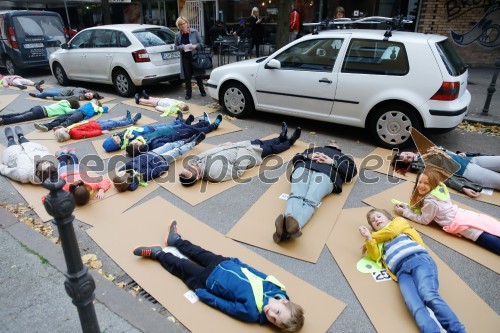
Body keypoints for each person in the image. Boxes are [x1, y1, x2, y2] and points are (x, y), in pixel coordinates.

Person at [133, 221, 305, 331]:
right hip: (223, 264)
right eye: (277, 312)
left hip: (209, 282)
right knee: (196, 251)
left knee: (181, 266)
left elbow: (224, 306)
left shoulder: (252, 313)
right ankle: (175, 241)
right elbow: (257, 273)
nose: (271, 315)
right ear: (283, 301)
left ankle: (158, 254)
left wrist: (202, 293)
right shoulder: (277, 288)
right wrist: (237, 262)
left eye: (274, 320)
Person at [359, 208, 466, 333]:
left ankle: (457, 330)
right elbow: (375, 256)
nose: (376, 220)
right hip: (401, 273)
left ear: (388, 218)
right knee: (414, 305)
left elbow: (392, 231)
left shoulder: (398, 223)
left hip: (418, 260)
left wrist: (373, 236)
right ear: (373, 227)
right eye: (372, 221)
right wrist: (368, 239)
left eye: (378, 216)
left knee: (428, 294)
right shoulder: (376, 241)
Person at [393, 168, 500, 255]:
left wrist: (404, 213)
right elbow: (424, 209)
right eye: (419, 182)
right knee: (492, 226)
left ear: (433, 184)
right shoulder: (439, 188)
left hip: (460, 224)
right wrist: (407, 206)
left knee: (488, 240)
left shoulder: (431, 201)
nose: (421, 185)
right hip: (464, 214)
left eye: (426, 183)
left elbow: (424, 220)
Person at [273, 139, 358, 243]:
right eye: (330, 141)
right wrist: (308, 156)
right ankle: (290, 224)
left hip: (325, 174)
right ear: (325, 145)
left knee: (310, 200)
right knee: (296, 196)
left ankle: (287, 227)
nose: (332, 141)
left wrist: (333, 162)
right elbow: (295, 159)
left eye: (334, 142)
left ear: (339, 148)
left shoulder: (345, 158)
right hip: (303, 169)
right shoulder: (313, 149)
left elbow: (351, 173)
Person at [179, 123, 301, 186]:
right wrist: (243, 152)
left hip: (236, 146)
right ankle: (290, 142)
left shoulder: (195, 163)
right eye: (191, 169)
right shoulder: (214, 173)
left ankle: (281, 137)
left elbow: (206, 153)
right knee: (271, 149)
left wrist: (223, 145)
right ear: (198, 177)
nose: (190, 165)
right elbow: (237, 171)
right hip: (246, 154)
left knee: (260, 142)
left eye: (187, 167)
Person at [113, 133, 206, 192]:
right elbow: (155, 172)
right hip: (160, 160)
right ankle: (193, 143)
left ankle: (184, 142)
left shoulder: (126, 169)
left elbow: (121, 171)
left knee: (168, 145)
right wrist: (164, 166)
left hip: (151, 153)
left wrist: (121, 175)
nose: (126, 174)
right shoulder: (141, 177)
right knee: (177, 151)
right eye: (126, 176)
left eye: (124, 174)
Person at [391, 147, 500, 195]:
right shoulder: (420, 166)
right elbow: (443, 177)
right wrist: (463, 187)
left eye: (405, 154)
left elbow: (444, 151)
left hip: (470, 159)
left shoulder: (423, 150)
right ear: (406, 165)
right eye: (404, 159)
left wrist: (460, 153)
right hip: (467, 171)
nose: (407, 156)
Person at [102, 111, 221, 154]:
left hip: (170, 130)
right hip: (175, 136)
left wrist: (134, 138)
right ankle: (213, 126)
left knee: (189, 127)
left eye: (133, 143)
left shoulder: (141, 140)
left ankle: (204, 123)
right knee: (193, 131)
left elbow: (136, 139)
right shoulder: (150, 145)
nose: (134, 142)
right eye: (135, 144)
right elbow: (167, 146)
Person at [53, 111, 142, 142]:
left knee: (112, 121)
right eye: (61, 128)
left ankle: (126, 119)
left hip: (94, 123)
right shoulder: (74, 134)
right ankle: (132, 121)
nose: (62, 127)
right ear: (64, 132)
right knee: (115, 124)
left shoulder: (70, 130)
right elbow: (89, 134)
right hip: (98, 127)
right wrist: (101, 132)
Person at [174, 16, 207, 100]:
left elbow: (202, 44)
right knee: (187, 77)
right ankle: (188, 93)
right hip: (185, 58)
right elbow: (175, 47)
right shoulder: (177, 35)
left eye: (183, 23)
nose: (182, 26)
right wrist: (182, 47)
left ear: (187, 23)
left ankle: (202, 90)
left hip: (195, 57)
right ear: (179, 26)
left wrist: (195, 46)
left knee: (198, 75)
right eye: (180, 24)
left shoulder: (194, 32)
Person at [34, 99, 109, 132]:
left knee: (71, 119)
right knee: (61, 117)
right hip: (77, 111)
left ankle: (61, 127)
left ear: (96, 103)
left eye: (93, 101)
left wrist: (99, 107)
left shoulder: (96, 107)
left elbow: (105, 108)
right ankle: (47, 126)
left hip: (82, 113)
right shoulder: (88, 104)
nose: (91, 101)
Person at [0, 99, 80, 126]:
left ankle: (3, 116)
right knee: (21, 118)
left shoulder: (63, 102)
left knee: (20, 114)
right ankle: (3, 121)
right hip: (41, 112)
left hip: (39, 107)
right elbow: (71, 112)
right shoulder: (66, 107)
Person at [29, 86, 102, 101]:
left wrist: (56, 98)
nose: (87, 96)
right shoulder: (86, 90)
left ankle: (37, 95)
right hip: (64, 89)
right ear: (90, 92)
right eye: (89, 95)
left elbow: (67, 98)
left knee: (46, 93)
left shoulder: (80, 97)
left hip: (61, 94)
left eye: (88, 97)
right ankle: (42, 91)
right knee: (48, 91)